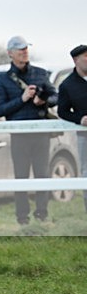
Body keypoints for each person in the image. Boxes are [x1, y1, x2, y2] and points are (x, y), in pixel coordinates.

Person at [0, 36, 58, 224]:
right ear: (10, 53)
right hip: (20, 134)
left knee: (42, 174)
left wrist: (44, 100)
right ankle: (22, 217)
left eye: (26, 48)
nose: (24, 51)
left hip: (40, 133)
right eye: (20, 49)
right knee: (20, 175)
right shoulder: (3, 79)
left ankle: (42, 214)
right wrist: (21, 99)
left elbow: (56, 95)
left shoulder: (40, 73)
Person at [56, 44, 87, 212]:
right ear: (76, 60)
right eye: (86, 56)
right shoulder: (67, 85)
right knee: (86, 173)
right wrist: (80, 119)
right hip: (85, 136)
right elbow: (63, 111)